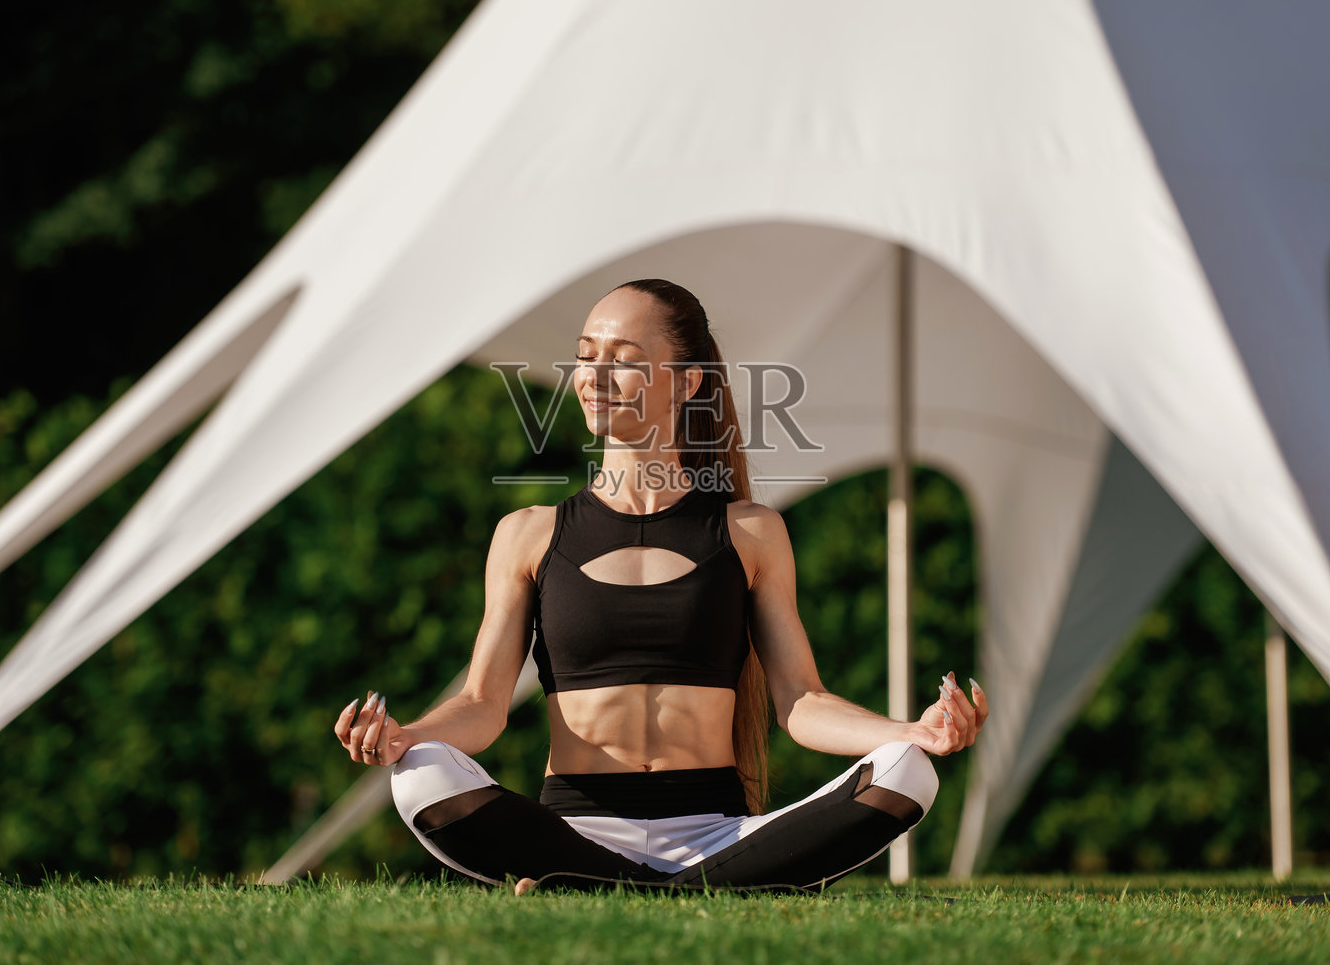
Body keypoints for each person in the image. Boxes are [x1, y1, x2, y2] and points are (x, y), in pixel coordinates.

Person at [333, 278, 988, 893]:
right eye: (586, 357)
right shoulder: (527, 534)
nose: (593, 377)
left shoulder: (751, 532)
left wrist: (910, 730)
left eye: (621, 358)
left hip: (717, 832)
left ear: (685, 381)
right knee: (420, 775)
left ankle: (621, 888)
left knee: (908, 770)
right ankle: (683, 887)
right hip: (574, 831)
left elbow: (800, 700)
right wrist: (406, 734)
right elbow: (482, 703)